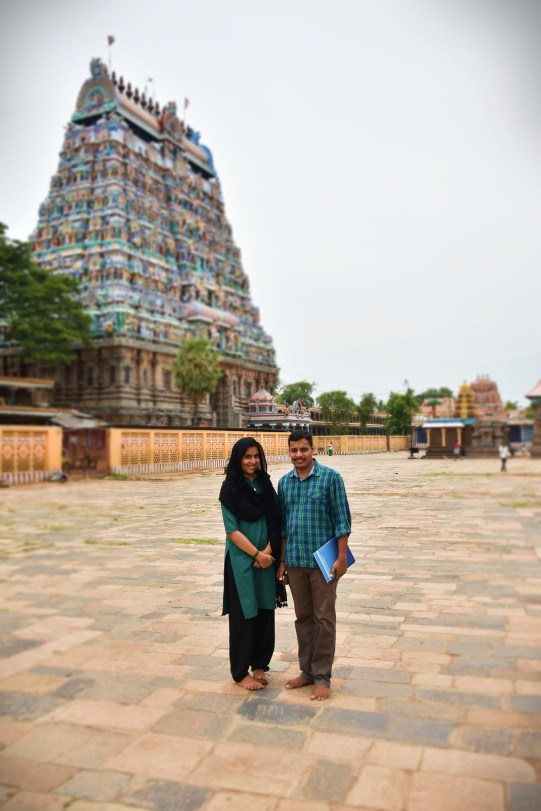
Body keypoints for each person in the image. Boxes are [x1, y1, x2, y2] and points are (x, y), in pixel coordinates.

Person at [277, 430, 351, 701]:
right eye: (294, 451)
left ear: (312, 450)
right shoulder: (285, 483)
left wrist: (341, 559)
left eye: (303, 450)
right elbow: (283, 526)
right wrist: (282, 561)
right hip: (295, 561)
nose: (299, 455)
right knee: (303, 619)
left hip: (324, 562)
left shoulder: (331, 479)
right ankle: (306, 671)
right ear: (289, 452)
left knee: (324, 619)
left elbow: (342, 521)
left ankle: (322, 677)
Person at [219, 437, 285, 690]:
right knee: (244, 615)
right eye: (247, 456)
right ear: (238, 459)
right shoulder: (230, 489)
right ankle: (240, 672)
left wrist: (269, 552)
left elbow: (275, 518)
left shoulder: (265, 484)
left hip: (267, 558)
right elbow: (232, 531)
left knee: (265, 611)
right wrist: (257, 555)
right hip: (241, 562)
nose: (252, 461)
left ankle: (259, 665)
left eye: (256, 456)